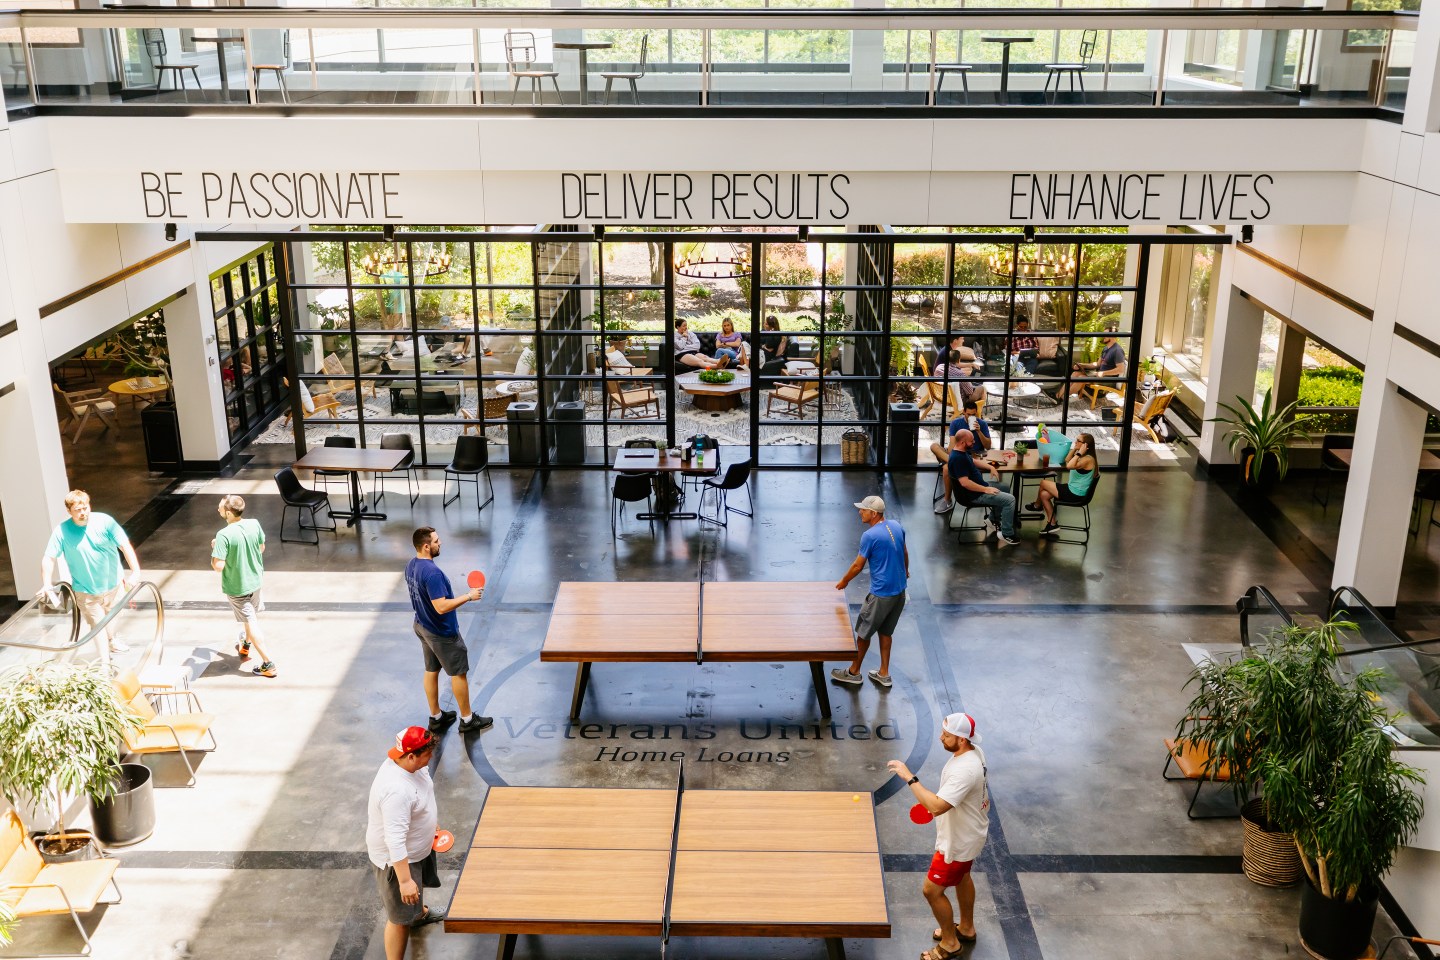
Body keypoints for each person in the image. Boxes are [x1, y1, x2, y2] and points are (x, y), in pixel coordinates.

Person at [887, 712, 990, 960]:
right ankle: (966, 928)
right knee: (963, 877)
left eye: (947, 735)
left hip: (957, 842)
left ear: (962, 739)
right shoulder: (974, 752)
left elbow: (936, 806)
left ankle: (950, 943)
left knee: (931, 891)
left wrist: (909, 777)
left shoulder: (965, 770)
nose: (941, 738)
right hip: (970, 833)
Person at [366, 726, 447, 959]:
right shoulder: (396, 791)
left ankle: (418, 914)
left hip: (416, 848)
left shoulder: (410, 765)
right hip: (399, 860)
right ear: (411, 756)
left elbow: (422, 794)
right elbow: (394, 841)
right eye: (427, 754)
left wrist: (429, 822)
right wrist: (403, 881)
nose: (431, 758)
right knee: (400, 919)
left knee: (416, 889)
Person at [39, 489, 141, 665]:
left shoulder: (105, 522)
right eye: (77, 510)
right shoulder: (61, 531)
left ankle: (111, 640)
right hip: (85, 591)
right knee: (97, 626)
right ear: (69, 511)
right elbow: (49, 558)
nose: (83, 513)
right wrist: (46, 583)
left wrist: (136, 571)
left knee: (113, 617)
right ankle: (105, 664)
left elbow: (125, 545)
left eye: (85, 508)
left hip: (114, 584)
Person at [405, 527, 490, 735]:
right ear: (426, 546)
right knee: (459, 673)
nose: (440, 542)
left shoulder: (411, 565)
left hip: (422, 625)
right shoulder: (432, 573)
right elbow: (441, 607)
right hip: (441, 632)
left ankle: (436, 718)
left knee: (431, 670)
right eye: (436, 541)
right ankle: (467, 720)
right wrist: (469, 596)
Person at [832, 496, 908, 689]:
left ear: (873, 513)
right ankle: (884, 673)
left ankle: (853, 672)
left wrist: (844, 581)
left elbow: (858, 565)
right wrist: (905, 571)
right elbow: (904, 552)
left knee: (864, 633)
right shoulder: (896, 526)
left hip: (880, 594)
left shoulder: (870, 536)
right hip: (899, 592)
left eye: (863, 509)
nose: (860, 512)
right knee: (886, 632)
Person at [211, 495, 277, 678]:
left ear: (228, 513)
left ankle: (268, 664)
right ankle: (245, 645)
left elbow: (218, 566)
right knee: (250, 618)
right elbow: (261, 548)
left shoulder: (223, 535)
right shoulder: (254, 524)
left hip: (238, 587)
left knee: (252, 622)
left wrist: (215, 549)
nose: (218, 509)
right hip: (255, 581)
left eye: (220, 507)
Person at [949, 430, 1019, 546]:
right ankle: (1006, 534)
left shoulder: (960, 452)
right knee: (1010, 500)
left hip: (980, 488)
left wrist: (990, 467)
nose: (974, 442)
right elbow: (965, 483)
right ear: (962, 442)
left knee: (1005, 487)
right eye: (971, 441)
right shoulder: (958, 459)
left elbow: (974, 461)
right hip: (974, 495)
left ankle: (992, 519)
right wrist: (986, 489)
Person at [931, 400, 992, 513]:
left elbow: (988, 446)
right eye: (968, 414)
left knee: (946, 468)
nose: (971, 417)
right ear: (963, 412)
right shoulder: (956, 423)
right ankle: (952, 461)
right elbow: (952, 447)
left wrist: (979, 432)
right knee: (934, 446)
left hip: (973, 455)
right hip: (957, 454)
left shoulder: (982, 424)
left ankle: (947, 501)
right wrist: (953, 450)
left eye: (973, 415)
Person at [1032, 432, 1097, 536]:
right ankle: (1052, 524)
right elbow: (1067, 460)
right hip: (1073, 489)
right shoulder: (1083, 456)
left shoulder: (1087, 459)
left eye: (1078, 441)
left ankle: (1037, 506)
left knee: (1043, 483)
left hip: (1075, 494)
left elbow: (1069, 466)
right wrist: (1075, 449)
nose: (1075, 442)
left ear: (1085, 445)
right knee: (1044, 495)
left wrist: (1079, 453)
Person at [1062, 331, 1126, 400]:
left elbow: (1120, 369)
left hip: (1108, 379)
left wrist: (1103, 373)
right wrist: (1082, 365)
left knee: (1081, 378)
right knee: (1075, 374)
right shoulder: (1105, 348)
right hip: (1099, 376)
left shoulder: (1117, 350)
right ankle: (1058, 395)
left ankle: (1062, 397)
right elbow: (1097, 364)